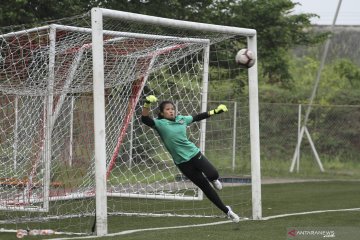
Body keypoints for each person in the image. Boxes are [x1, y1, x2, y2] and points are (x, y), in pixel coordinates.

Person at [141, 95, 240, 223]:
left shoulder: (182, 119)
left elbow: (198, 117)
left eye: (172, 109)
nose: (171, 111)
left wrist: (215, 111)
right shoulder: (159, 124)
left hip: (194, 154)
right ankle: (227, 211)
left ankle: (214, 179)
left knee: (213, 174)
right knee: (205, 187)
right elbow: (144, 119)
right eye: (167, 109)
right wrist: (147, 103)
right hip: (182, 163)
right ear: (161, 113)